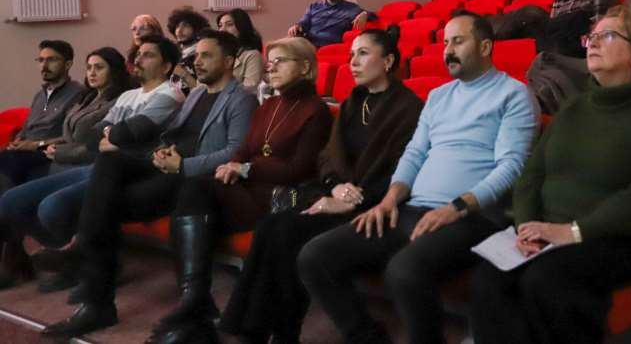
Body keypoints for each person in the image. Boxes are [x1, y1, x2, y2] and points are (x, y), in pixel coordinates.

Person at [296, 12, 538, 344]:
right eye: (445, 42)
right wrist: (388, 201)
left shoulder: (513, 95)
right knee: (315, 256)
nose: (448, 50)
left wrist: (455, 207)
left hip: (474, 216)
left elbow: (511, 168)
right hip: (412, 209)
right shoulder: (438, 96)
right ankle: (367, 337)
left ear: (485, 46)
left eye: (458, 41)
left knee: (403, 270)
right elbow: (414, 154)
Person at [470, 6, 631, 344]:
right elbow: (532, 175)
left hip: (618, 238)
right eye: (592, 37)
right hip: (547, 234)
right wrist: (527, 227)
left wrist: (573, 231)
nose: (593, 43)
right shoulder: (574, 107)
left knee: (546, 279)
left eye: (608, 36)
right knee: (489, 278)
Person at [40, 31, 257, 339]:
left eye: (207, 56)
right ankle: (90, 264)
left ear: (229, 61)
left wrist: (182, 165)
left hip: (192, 177)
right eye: (196, 55)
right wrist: (161, 150)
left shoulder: (241, 98)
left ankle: (96, 297)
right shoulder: (197, 94)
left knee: (104, 208)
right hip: (166, 165)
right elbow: (172, 133)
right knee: (110, 162)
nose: (197, 61)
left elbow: (233, 152)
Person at [219, 29, 423, 344]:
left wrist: (354, 199)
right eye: (351, 55)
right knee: (272, 226)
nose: (353, 62)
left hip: (376, 203)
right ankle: (254, 329)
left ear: (388, 61)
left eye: (363, 54)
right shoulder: (354, 101)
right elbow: (329, 157)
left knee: (287, 232)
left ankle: (276, 333)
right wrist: (336, 186)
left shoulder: (408, 108)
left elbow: (404, 169)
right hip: (338, 194)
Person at [143, 37, 330, 344]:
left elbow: (298, 169)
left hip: (276, 198)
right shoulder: (269, 105)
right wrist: (235, 165)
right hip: (246, 191)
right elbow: (242, 151)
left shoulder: (316, 110)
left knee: (196, 191)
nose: (271, 67)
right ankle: (194, 301)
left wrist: (246, 169)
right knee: (193, 189)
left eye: (281, 61)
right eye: (270, 62)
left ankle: (196, 305)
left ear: (306, 67)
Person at [0, 37, 184, 293]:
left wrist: (111, 136)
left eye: (148, 55)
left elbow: (127, 133)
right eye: (138, 54)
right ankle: (72, 257)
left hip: (129, 170)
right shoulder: (128, 96)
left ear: (166, 66)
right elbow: (93, 136)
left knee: (51, 207)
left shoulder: (170, 95)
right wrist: (112, 137)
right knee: (10, 201)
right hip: (101, 163)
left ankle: (91, 263)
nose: (138, 60)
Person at [0, 48, 127, 289]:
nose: (91, 73)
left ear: (115, 71)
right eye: (89, 67)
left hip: (84, 164)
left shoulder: (118, 102)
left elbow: (93, 145)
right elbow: (66, 136)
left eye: (99, 67)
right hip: (60, 161)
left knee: (40, 201)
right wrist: (43, 145)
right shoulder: (87, 98)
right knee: (9, 196)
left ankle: (75, 259)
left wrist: (49, 148)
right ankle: (36, 251)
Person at [0, 41, 86, 193]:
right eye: (41, 60)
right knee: (7, 156)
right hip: (24, 151)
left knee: (7, 161)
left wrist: (36, 144)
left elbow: (71, 136)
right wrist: (17, 141)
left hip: (46, 152)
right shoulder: (40, 95)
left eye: (51, 60)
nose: (44, 65)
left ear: (68, 64)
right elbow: (26, 128)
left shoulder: (78, 93)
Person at [288, 0, 369, 47]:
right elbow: (303, 23)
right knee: (285, 45)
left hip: (331, 48)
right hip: (309, 46)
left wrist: (364, 14)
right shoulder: (314, 6)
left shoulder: (351, 9)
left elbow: (373, 15)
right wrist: (296, 26)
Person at [218, 9, 265, 90]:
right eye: (220, 26)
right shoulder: (220, 53)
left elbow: (249, 90)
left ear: (242, 28)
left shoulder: (252, 55)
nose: (222, 30)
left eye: (229, 25)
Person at [167, 8, 211, 94]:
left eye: (186, 26)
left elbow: (205, 90)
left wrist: (183, 74)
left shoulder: (202, 54)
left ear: (196, 29)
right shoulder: (173, 53)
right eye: (177, 26)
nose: (179, 30)